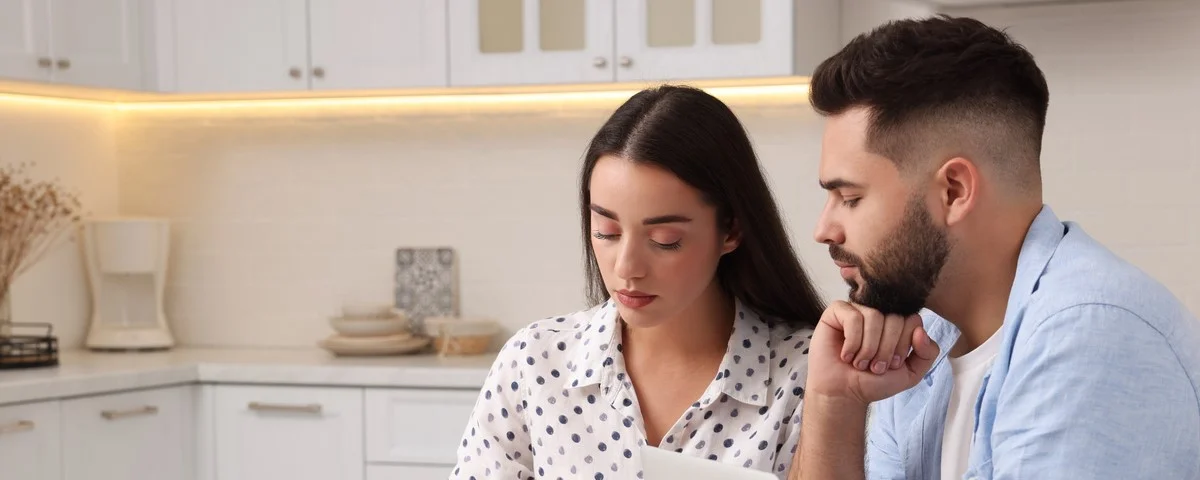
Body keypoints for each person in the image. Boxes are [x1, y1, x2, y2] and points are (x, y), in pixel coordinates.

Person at [789, 14, 1200, 480]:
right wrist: (833, 402)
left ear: (954, 191)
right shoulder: (923, 339)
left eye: (850, 199)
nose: (824, 230)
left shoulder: (1085, 335)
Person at [450, 85, 827, 479]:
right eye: (607, 232)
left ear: (731, 230)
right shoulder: (535, 362)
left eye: (665, 240)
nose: (627, 267)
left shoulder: (808, 372)